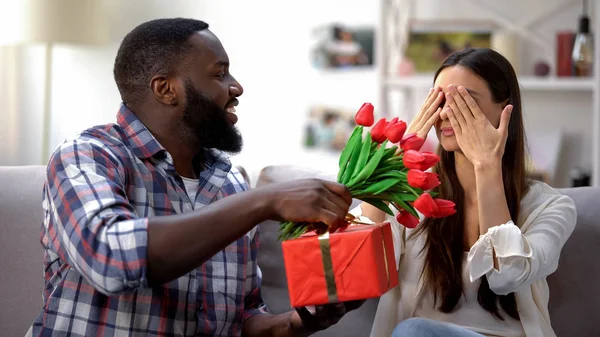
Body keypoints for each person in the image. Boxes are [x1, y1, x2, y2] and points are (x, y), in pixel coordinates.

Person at [26, 18, 362, 337]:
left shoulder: (230, 183)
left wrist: (295, 324)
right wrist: (264, 201)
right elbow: (111, 258)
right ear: (166, 89)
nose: (237, 86)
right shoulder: (87, 156)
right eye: (220, 74)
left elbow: (243, 317)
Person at [352, 48, 577, 337]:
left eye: (463, 100)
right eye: (440, 100)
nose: (445, 112)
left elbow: (507, 277)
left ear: (504, 109)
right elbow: (358, 261)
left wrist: (486, 165)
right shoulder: (414, 194)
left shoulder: (551, 207)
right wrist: (393, 170)